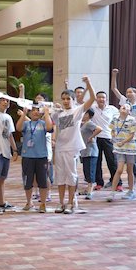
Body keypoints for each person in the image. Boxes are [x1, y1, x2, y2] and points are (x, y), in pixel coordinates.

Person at [53, 76, 96, 214]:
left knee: (71, 176)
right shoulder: (58, 113)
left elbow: (92, 98)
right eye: (63, 99)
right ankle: (61, 203)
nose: (65, 101)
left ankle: (71, 203)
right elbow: (41, 112)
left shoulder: (77, 110)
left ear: (73, 100)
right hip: (60, 147)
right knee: (60, 176)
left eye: (68, 99)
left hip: (72, 148)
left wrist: (88, 83)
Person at [111, 68, 136, 182]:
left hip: (134, 135)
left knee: (132, 160)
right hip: (121, 134)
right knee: (119, 159)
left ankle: (132, 181)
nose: (128, 93)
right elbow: (114, 89)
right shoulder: (124, 101)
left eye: (130, 91)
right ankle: (117, 180)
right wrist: (114, 75)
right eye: (127, 91)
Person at [0, 77, 19, 214]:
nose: (5, 102)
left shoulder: (9, 118)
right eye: (2, 100)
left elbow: (10, 135)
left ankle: (1, 202)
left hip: (6, 151)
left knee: (2, 179)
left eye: (7, 100)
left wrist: (15, 149)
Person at [16, 104, 53, 213]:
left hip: (41, 156)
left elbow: (50, 127)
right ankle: (29, 202)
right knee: (28, 180)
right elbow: (18, 128)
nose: (35, 112)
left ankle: (43, 203)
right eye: (33, 110)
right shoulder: (26, 124)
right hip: (27, 156)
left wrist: (46, 113)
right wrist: (23, 114)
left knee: (42, 180)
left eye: (37, 110)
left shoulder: (43, 124)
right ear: (29, 112)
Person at [106, 104, 136, 201]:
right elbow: (111, 130)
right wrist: (113, 134)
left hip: (130, 148)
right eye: (123, 106)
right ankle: (112, 192)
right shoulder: (115, 119)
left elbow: (132, 135)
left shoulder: (132, 120)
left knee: (129, 170)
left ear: (129, 111)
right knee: (119, 170)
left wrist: (122, 142)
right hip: (119, 148)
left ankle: (131, 191)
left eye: (127, 107)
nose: (124, 108)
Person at [91, 91, 120, 191]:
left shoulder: (112, 109)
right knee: (97, 161)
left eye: (103, 97)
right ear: (96, 99)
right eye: (99, 97)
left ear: (106, 99)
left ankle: (117, 183)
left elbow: (118, 121)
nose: (101, 99)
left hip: (108, 138)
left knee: (112, 161)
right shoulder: (92, 108)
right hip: (95, 138)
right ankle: (99, 182)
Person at [79, 109, 102, 199]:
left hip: (91, 151)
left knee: (90, 171)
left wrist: (91, 137)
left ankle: (90, 191)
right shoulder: (84, 124)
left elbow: (99, 129)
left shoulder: (89, 123)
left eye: (85, 113)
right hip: (85, 151)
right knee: (86, 171)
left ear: (88, 115)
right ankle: (88, 189)